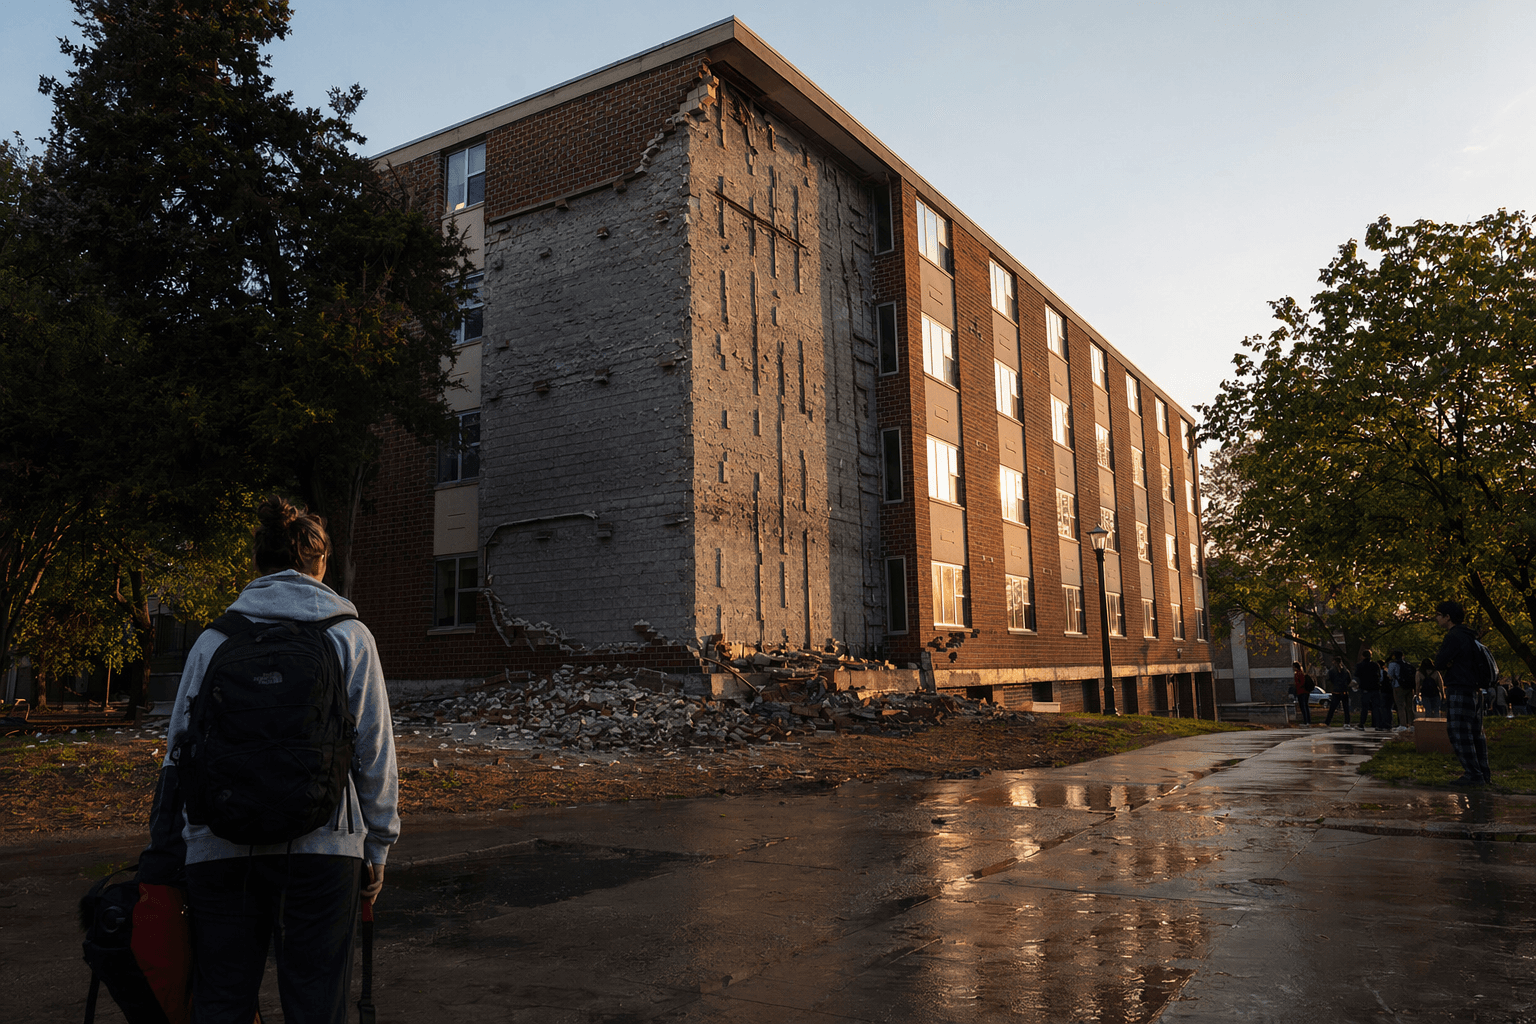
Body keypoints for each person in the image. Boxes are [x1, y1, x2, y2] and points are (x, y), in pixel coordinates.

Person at [161, 496, 399, 1022]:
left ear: (257, 565)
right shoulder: (349, 637)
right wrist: (377, 845)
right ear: (320, 564)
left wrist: (172, 844)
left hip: (220, 846)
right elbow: (374, 751)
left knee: (222, 1001)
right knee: (317, 1003)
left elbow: (178, 752)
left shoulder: (213, 640)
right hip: (325, 846)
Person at [1432, 599, 1491, 786]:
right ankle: (1483, 773)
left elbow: (1439, 662)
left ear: (1448, 617)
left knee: (1458, 731)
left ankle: (1473, 774)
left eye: (1439, 615)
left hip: (1459, 687)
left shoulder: (1453, 636)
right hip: (1474, 689)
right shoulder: (1470, 636)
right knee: (1475, 733)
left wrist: (1448, 664)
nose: (1436, 618)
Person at [1355, 648, 1386, 730]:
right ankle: (1378, 725)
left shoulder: (1360, 665)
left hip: (1365, 688)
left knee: (1364, 708)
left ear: (1362, 656)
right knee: (1376, 707)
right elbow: (1379, 676)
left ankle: (1362, 724)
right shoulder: (1375, 665)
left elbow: (1357, 677)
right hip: (1375, 688)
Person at [1387, 650, 1416, 731]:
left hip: (1398, 686)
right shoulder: (1408, 664)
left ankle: (1403, 724)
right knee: (1409, 707)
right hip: (1409, 687)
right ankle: (1412, 724)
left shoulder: (1393, 664)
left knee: (1400, 706)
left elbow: (1389, 675)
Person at [1324, 656, 1354, 727]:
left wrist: (1332, 687)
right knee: (1346, 709)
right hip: (1344, 691)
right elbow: (1349, 680)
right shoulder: (1346, 671)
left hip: (1336, 692)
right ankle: (1347, 722)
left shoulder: (1332, 671)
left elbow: (1328, 679)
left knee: (1332, 709)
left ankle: (1327, 722)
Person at [1291, 661, 1312, 726]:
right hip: (1304, 692)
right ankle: (1308, 721)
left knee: (1303, 707)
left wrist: (1297, 685)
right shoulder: (1302, 673)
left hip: (1302, 692)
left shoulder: (1298, 674)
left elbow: (1301, 682)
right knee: (1305, 706)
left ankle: (1306, 721)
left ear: (1295, 667)